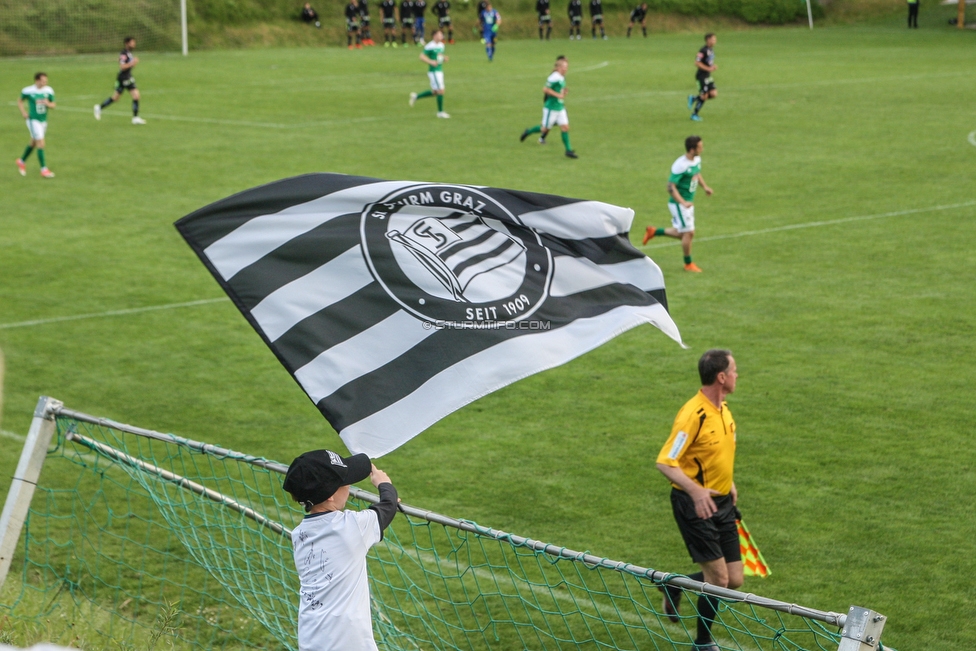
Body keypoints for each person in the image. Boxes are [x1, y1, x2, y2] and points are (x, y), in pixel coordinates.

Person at [655, 349, 742, 651]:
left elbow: (715, 454)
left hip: (722, 503)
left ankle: (674, 583)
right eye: (733, 370)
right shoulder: (693, 415)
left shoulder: (723, 409)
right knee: (718, 580)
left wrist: (727, 482)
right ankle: (703, 644)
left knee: (734, 579)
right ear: (721, 377)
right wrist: (697, 491)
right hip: (696, 506)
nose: (736, 375)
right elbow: (666, 462)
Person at [283, 449, 399, 651]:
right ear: (329, 496)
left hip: (312, 638)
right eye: (344, 482)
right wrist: (384, 484)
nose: (349, 486)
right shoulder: (349, 527)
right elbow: (388, 507)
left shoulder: (299, 534)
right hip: (348, 643)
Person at [641, 135, 712, 272]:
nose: (702, 149)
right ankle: (688, 264)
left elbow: (696, 174)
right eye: (700, 147)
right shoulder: (680, 165)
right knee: (689, 233)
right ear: (692, 149)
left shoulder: (696, 159)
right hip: (679, 204)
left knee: (684, 233)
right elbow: (670, 186)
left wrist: (705, 187)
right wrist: (683, 202)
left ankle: (654, 231)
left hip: (687, 203)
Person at [519, 56, 577, 159]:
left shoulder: (562, 76)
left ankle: (568, 150)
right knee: (544, 129)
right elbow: (545, 89)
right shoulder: (554, 77)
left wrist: (563, 92)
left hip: (560, 107)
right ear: (559, 67)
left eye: (566, 67)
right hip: (551, 108)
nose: (566, 69)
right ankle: (528, 132)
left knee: (565, 127)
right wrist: (558, 95)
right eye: (564, 67)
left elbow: (559, 89)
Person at [93, 37, 146, 125]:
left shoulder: (129, 53)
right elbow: (122, 66)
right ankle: (135, 118)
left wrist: (133, 63)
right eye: (132, 43)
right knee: (135, 96)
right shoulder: (124, 53)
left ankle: (99, 108)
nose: (134, 44)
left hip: (126, 77)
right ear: (127, 43)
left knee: (116, 98)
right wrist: (132, 63)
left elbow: (128, 65)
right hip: (124, 78)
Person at [16, 72, 56, 179]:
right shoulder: (28, 90)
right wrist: (23, 112)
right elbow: (20, 101)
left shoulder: (49, 91)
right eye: (43, 81)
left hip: (43, 121)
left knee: (33, 143)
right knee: (41, 144)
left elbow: (53, 105)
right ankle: (44, 169)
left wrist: (48, 104)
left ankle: (21, 161)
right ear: (37, 80)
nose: (45, 83)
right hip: (33, 121)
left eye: (46, 81)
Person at [409, 29, 450, 118]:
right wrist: (431, 62)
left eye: (442, 34)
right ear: (434, 36)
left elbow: (439, 56)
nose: (441, 36)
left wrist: (444, 58)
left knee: (435, 92)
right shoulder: (429, 46)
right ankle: (440, 112)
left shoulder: (442, 45)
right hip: (434, 71)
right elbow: (421, 56)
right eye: (439, 34)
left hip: (440, 70)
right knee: (441, 91)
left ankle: (416, 96)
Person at [689, 33, 717, 121]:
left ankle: (694, 98)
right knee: (704, 96)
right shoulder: (703, 50)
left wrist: (712, 67)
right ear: (708, 40)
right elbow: (697, 63)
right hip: (701, 76)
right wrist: (708, 68)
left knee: (713, 94)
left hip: (707, 76)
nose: (715, 41)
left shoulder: (711, 50)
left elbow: (708, 61)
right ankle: (694, 114)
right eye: (713, 39)